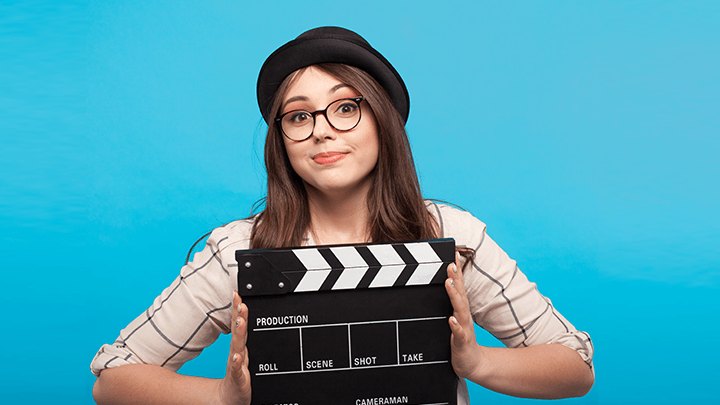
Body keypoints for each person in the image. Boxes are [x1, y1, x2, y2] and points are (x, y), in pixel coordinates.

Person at [91, 26, 594, 404]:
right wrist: (224, 396)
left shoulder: (449, 236)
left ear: (382, 119)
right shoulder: (240, 252)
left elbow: (574, 366)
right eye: (299, 116)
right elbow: (112, 378)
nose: (323, 130)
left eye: (346, 107)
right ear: (282, 142)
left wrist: (478, 362)